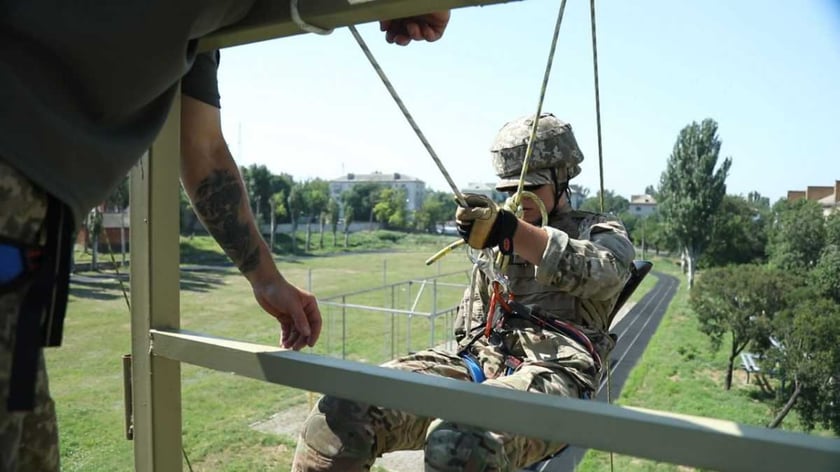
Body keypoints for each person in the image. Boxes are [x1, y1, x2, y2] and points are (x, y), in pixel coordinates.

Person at [0, 6, 451, 471]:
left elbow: (203, 150)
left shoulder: (203, 26)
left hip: (34, 235)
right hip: (15, 194)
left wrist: (266, 278)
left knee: (27, 443)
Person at [291, 113, 636, 471]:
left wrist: (511, 231)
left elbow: (606, 272)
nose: (518, 197)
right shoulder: (498, 240)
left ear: (561, 177)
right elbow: (470, 325)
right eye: (508, 190)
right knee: (341, 412)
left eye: (529, 186)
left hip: (558, 371)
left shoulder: (597, 229)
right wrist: (499, 237)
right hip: (480, 361)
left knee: (460, 442)